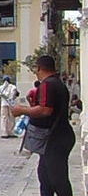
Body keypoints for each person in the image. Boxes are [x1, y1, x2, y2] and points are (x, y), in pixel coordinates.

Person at [13, 55, 72, 196]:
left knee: (57, 179)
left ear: (39, 68)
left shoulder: (47, 84)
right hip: (60, 136)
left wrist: (22, 110)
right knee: (45, 177)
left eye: (35, 68)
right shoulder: (57, 83)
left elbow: (45, 110)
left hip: (55, 138)